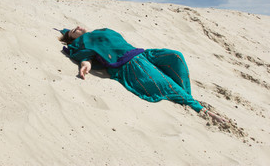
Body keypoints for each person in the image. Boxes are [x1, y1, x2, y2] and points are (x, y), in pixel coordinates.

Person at [59, 26, 226, 123]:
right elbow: (87, 56)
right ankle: (200, 109)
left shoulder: (99, 30)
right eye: (74, 30)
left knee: (176, 57)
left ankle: (184, 96)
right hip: (131, 64)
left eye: (77, 26)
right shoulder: (82, 42)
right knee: (165, 83)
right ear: (72, 38)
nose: (78, 28)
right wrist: (85, 66)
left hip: (142, 53)